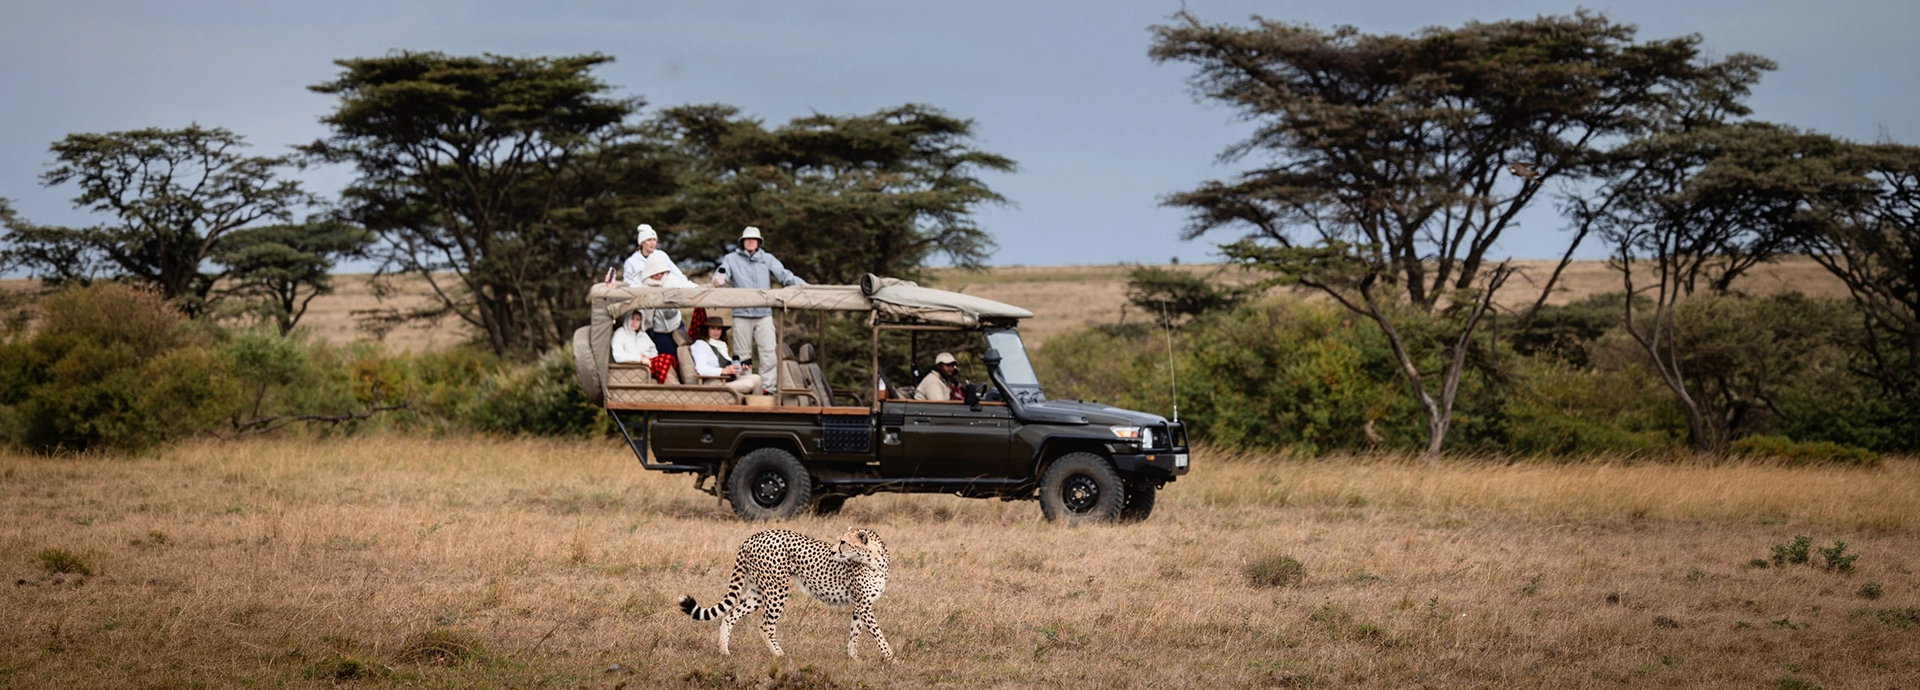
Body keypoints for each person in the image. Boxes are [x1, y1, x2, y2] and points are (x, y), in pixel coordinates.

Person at [711, 226, 807, 393]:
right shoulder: (731, 258)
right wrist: (718, 280)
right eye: (747, 239)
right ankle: (746, 386)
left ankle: (767, 389)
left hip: (764, 313)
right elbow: (722, 274)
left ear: (758, 242)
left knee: (769, 353)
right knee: (742, 354)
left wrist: (805, 286)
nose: (750, 241)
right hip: (742, 313)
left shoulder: (767, 258)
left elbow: (785, 275)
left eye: (753, 239)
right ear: (742, 242)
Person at [689, 312, 764, 396]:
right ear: (707, 330)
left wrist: (740, 367)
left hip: (727, 379)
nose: (716, 332)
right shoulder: (701, 345)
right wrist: (724, 371)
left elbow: (727, 365)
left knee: (757, 378)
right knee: (749, 384)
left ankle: (757, 405)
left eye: (718, 329)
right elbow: (701, 369)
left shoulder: (722, 345)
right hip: (713, 382)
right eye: (712, 328)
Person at [637, 251, 693, 356]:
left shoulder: (669, 279)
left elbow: (687, 286)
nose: (659, 276)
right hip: (659, 330)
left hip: (676, 325)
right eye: (656, 273)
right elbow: (632, 292)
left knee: (685, 353)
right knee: (668, 355)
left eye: (661, 272)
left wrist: (702, 290)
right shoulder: (642, 285)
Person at [612, 310, 676, 383]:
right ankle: (676, 387)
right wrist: (640, 358)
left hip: (648, 364)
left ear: (641, 322)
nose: (634, 322)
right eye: (632, 318)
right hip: (633, 366)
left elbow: (653, 350)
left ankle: (676, 386)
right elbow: (618, 356)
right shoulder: (620, 333)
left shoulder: (643, 335)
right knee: (664, 362)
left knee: (667, 359)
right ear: (627, 318)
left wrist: (648, 357)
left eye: (638, 320)